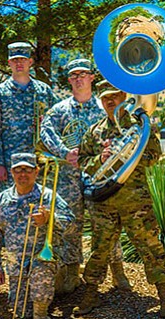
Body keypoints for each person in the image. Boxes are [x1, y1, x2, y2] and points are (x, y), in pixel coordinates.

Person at [73, 81, 165, 318]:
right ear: (100, 101)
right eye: (105, 98)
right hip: (104, 202)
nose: (110, 101)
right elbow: (82, 162)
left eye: (115, 96)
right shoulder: (94, 132)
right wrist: (101, 159)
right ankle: (90, 294)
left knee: (151, 247)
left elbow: (153, 158)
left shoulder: (141, 125)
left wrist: (131, 151)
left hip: (135, 201)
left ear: (123, 96)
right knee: (99, 249)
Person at [39, 59, 130, 294]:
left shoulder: (104, 108)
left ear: (91, 77)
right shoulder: (59, 110)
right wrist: (63, 152)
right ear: (69, 80)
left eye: (83, 74)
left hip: (98, 176)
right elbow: (45, 132)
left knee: (106, 224)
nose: (79, 78)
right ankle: (72, 272)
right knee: (70, 224)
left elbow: (123, 132)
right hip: (68, 177)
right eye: (74, 75)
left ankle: (117, 270)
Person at [0, 153, 75, 319]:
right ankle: (50, 289)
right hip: (16, 266)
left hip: (43, 260)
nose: (22, 174)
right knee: (21, 313)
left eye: (27, 169)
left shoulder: (48, 196)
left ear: (36, 172)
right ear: (11, 172)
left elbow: (71, 224)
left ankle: (41, 313)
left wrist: (50, 218)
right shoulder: (1, 201)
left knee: (41, 273)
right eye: (18, 170)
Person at [0, 42, 60, 190]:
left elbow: (56, 124)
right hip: (11, 164)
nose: (19, 63)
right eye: (15, 60)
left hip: (41, 162)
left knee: (41, 207)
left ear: (30, 62)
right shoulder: (0, 93)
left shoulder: (43, 91)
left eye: (23, 59)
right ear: (9, 63)